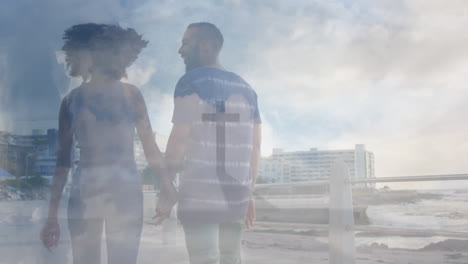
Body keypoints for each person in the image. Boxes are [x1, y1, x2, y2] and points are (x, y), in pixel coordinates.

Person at [40, 23, 176, 264]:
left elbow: (63, 164)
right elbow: (150, 147)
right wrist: (167, 186)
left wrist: (52, 217)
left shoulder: (72, 101)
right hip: (122, 188)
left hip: (87, 188)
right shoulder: (130, 95)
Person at [165, 22, 261, 264]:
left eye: (186, 43)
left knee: (204, 259)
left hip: (200, 193)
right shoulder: (247, 89)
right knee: (231, 258)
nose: (180, 49)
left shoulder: (191, 81)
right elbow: (255, 147)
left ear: (206, 46)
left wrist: (166, 189)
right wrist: (248, 194)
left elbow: (179, 139)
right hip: (235, 194)